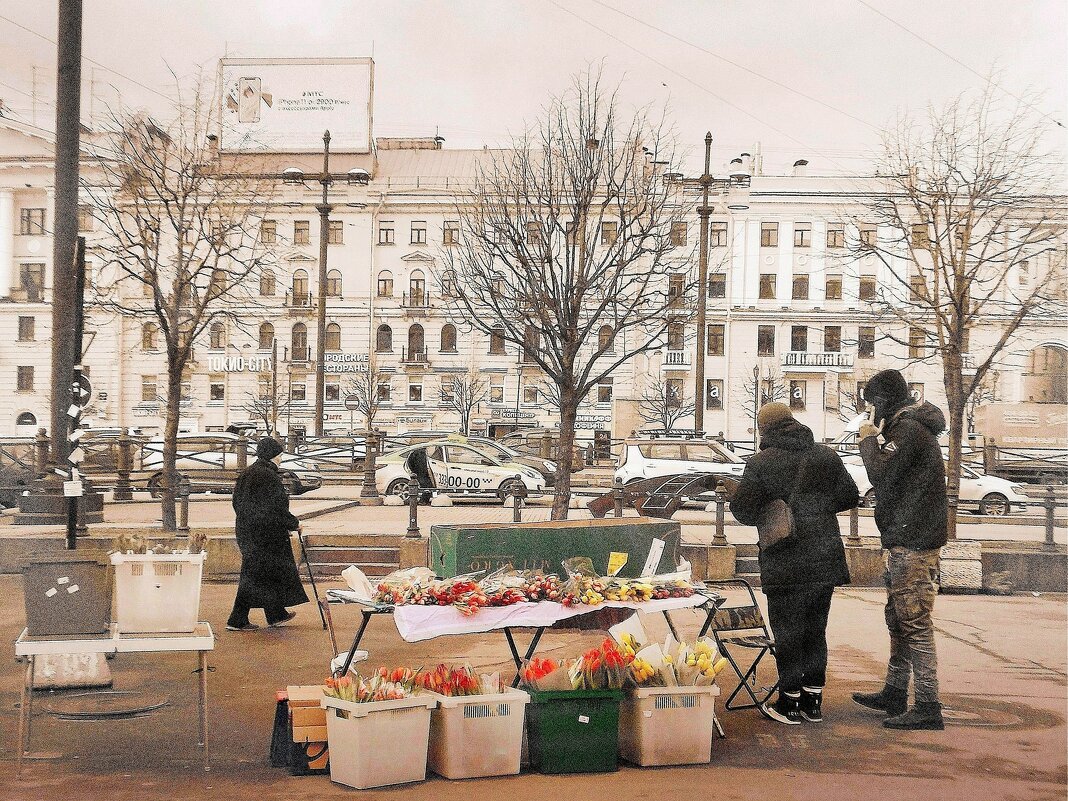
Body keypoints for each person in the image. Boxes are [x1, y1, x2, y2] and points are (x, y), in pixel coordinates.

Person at [730, 402, 859, 725]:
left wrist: (779, 508)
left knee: (787, 632)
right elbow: (849, 496)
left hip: (785, 559)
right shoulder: (826, 456)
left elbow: (743, 511)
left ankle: (789, 702)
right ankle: (813, 701)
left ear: (764, 430)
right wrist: (815, 509)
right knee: (816, 630)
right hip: (824, 558)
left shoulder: (760, 463)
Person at [853, 369, 948, 730]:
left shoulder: (907, 431)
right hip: (906, 539)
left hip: (913, 543)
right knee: (898, 620)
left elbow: (880, 474)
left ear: (883, 402)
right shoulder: (904, 428)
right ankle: (895, 691)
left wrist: (867, 440)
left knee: (915, 623)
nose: (869, 411)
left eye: (871, 404)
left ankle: (927, 705)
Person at [226, 437, 309, 632]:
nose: (281, 459)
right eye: (279, 455)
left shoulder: (249, 473)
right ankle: (237, 619)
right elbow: (275, 507)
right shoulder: (268, 476)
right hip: (265, 534)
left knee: (265, 572)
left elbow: (237, 502)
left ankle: (275, 613)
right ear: (273, 455)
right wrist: (294, 523)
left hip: (249, 531)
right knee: (254, 575)